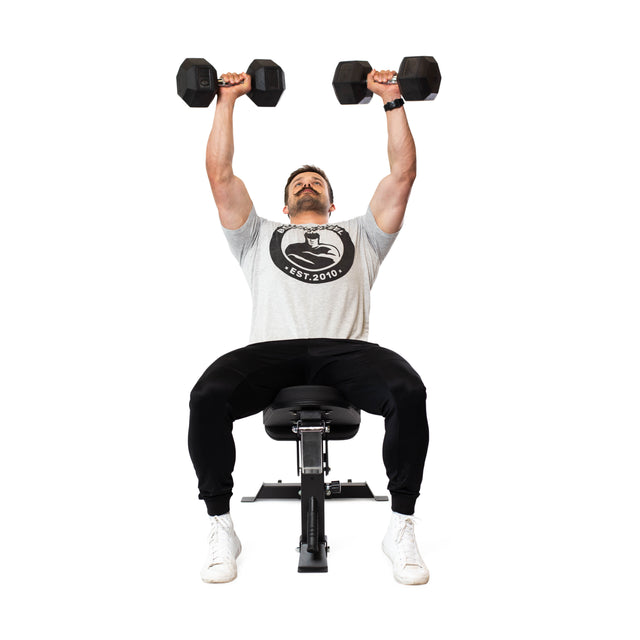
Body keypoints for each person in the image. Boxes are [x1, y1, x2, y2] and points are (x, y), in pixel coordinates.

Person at [188, 68, 430, 585]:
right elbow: (221, 175)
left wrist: (391, 99)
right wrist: (227, 100)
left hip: (347, 350)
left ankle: (401, 525)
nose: (306, 184)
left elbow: (401, 175)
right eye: (298, 183)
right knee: (207, 394)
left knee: (408, 390)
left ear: (331, 202)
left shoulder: (362, 234)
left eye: (316, 182)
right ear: (284, 203)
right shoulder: (256, 236)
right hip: (271, 351)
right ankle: (220, 524)